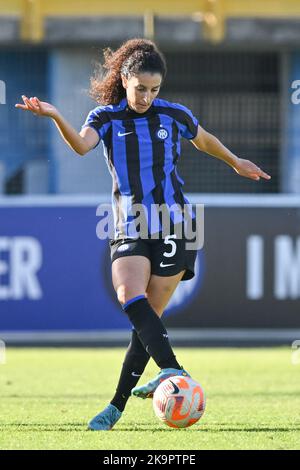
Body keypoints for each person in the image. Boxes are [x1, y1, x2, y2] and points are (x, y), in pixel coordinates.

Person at [15, 38, 271, 431]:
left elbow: (203, 140)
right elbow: (83, 147)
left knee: (148, 319)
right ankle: (173, 369)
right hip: (130, 221)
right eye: (140, 89)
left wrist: (236, 162)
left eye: (154, 90)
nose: (147, 97)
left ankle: (115, 407)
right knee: (129, 298)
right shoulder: (105, 117)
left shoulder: (173, 114)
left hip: (177, 224)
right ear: (124, 80)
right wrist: (54, 116)